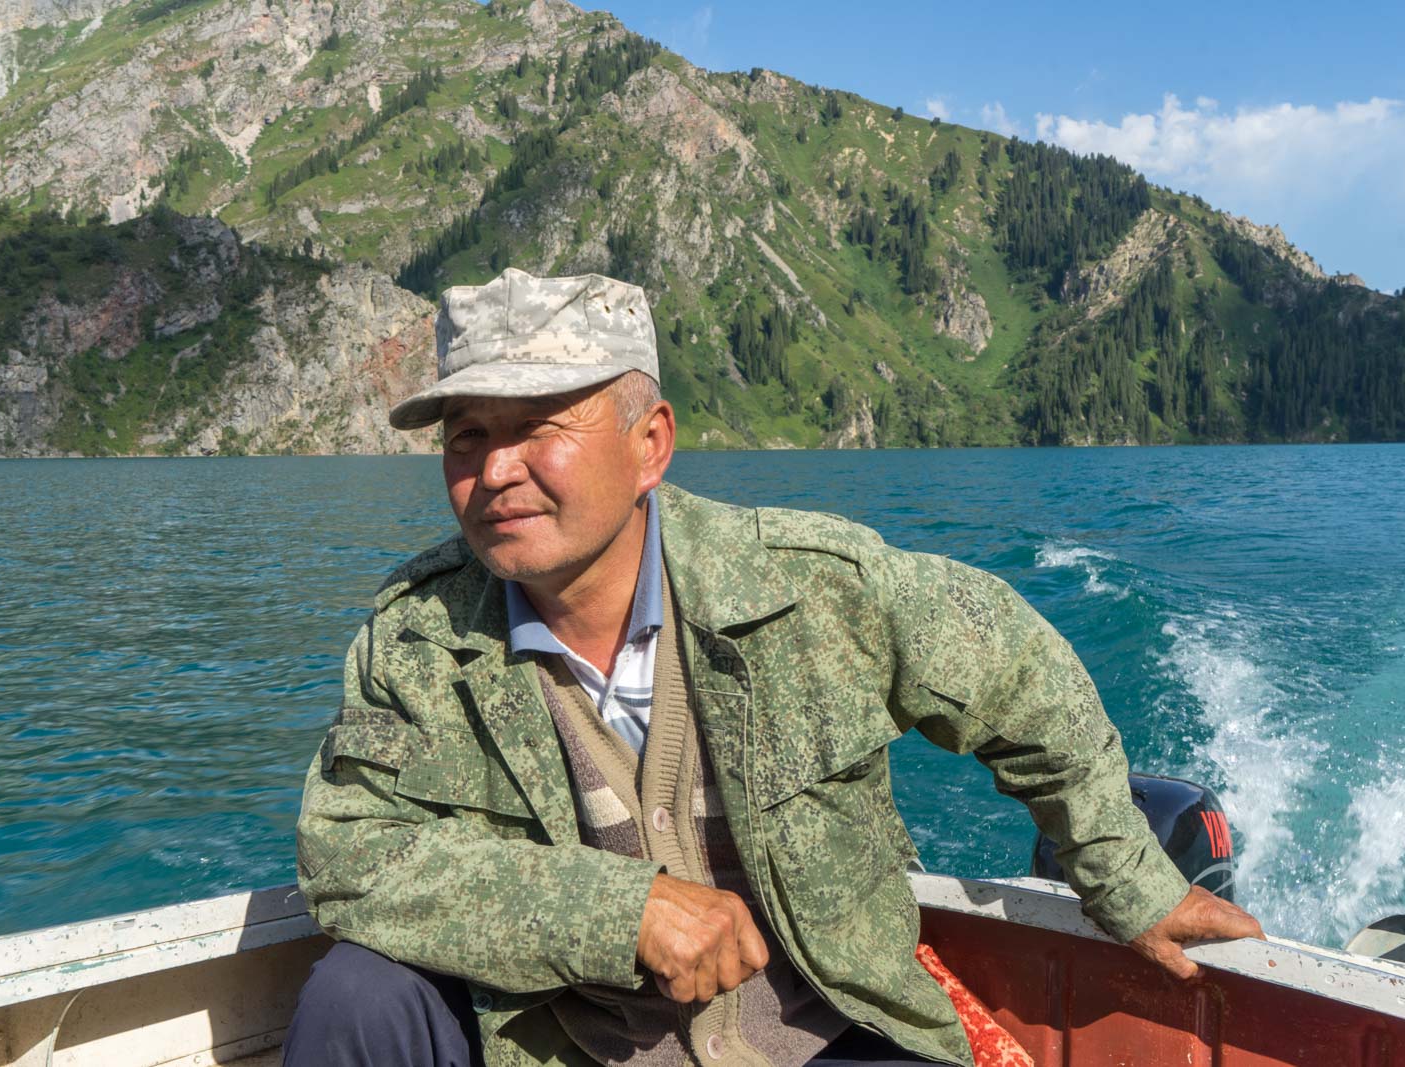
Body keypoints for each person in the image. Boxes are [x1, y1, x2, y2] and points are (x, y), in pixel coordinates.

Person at [285, 268, 1263, 1067]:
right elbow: (350, 851)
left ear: (649, 445)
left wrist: (1128, 876)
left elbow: (1020, 675)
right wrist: (616, 910)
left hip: (823, 1031)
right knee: (357, 994)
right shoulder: (417, 639)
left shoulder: (810, 589)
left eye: (537, 425)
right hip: (565, 1045)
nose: (493, 470)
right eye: (466, 435)